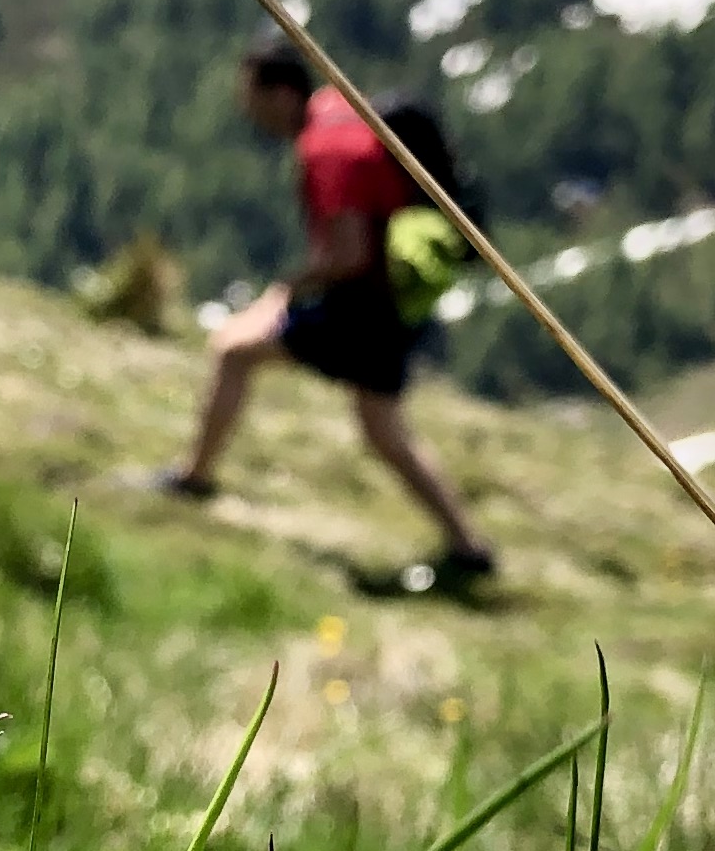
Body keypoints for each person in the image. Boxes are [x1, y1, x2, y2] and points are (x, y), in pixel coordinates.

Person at [153, 40, 497, 591]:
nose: (249, 113)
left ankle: (195, 477)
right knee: (383, 430)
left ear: (281, 93)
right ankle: (468, 545)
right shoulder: (340, 108)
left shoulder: (326, 149)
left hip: (362, 308)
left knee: (232, 351)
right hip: (387, 305)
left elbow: (349, 255)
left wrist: (286, 288)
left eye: (252, 98)